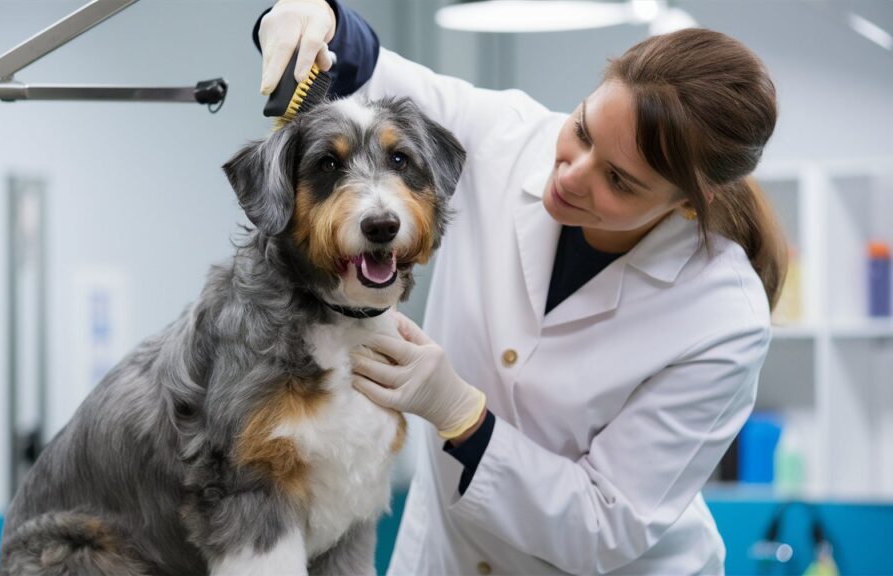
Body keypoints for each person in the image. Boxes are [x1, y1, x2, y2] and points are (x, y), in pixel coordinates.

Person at [255, 1, 786, 573]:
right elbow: (366, 69)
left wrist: (462, 416)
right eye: (581, 130)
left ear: (689, 201)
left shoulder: (723, 316)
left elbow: (605, 523)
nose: (570, 174)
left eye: (618, 180)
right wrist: (315, 17)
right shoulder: (507, 136)